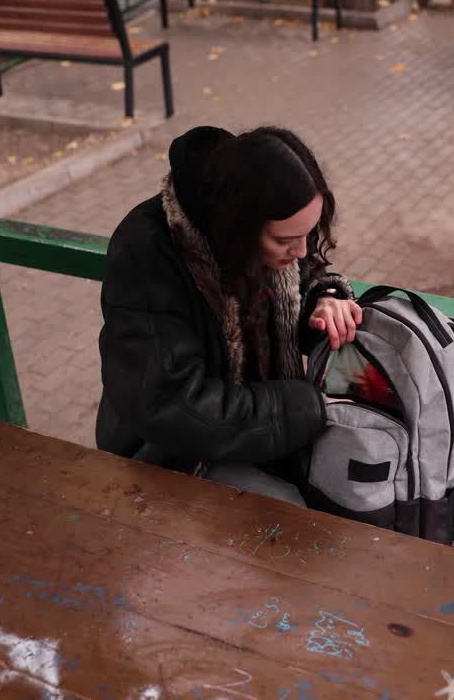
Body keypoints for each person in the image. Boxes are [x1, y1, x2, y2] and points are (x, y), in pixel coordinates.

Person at [95, 126, 363, 507]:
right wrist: (303, 408)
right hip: (174, 454)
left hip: (251, 429)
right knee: (291, 517)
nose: (302, 251)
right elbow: (170, 404)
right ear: (238, 229)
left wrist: (325, 298)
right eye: (285, 241)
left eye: (309, 233)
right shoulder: (148, 252)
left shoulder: (256, 225)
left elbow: (301, 277)